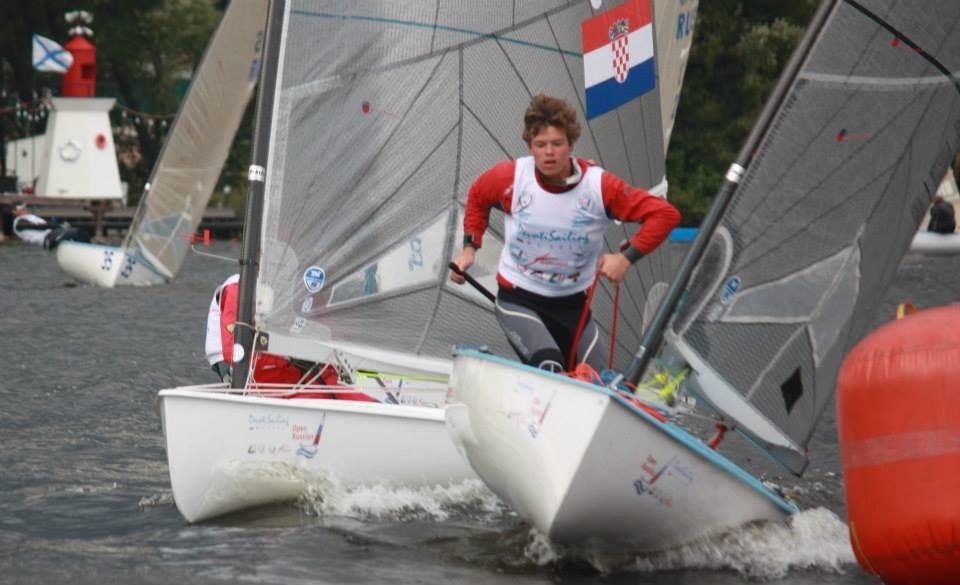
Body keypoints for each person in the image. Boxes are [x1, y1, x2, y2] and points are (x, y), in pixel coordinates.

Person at [449, 94, 681, 373]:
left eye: (557, 144)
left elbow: (665, 215)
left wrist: (626, 257)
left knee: (596, 382)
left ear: (571, 144)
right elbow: (478, 196)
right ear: (530, 146)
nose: (549, 152)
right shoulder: (511, 177)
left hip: (573, 308)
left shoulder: (599, 186)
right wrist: (469, 249)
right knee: (550, 367)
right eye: (540, 144)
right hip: (518, 300)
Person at [205, 273, 378, 401]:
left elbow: (321, 328)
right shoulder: (239, 287)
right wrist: (291, 356)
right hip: (238, 364)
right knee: (318, 389)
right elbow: (235, 352)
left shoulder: (300, 284)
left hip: (288, 362)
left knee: (332, 385)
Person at [11, 201, 90, 249]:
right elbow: (41, 227)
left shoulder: (29, 217)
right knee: (78, 233)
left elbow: (46, 223)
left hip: (53, 233)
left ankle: (88, 250)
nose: (24, 209)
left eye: (24, 207)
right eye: (21, 208)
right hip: (48, 239)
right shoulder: (19, 223)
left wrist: (59, 224)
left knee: (84, 232)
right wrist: (58, 225)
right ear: (14, 211)